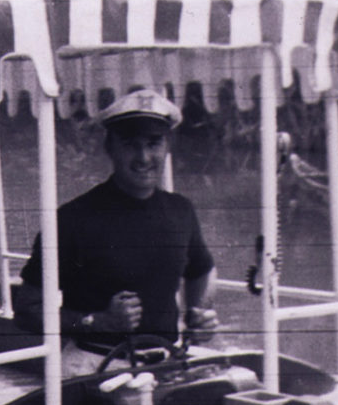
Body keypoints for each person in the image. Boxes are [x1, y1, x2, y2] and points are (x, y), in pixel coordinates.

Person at [14, 89, 219, 362]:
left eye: (154, 143)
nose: (144, 157)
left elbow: (202, 271)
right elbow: (27, 311)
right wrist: (97, 322)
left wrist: (198, 315)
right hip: (95, 364)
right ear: (109, 147)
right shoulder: (72, 219)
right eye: (130, 144)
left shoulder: (181, 210)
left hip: (167, 364)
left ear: (167, 146)